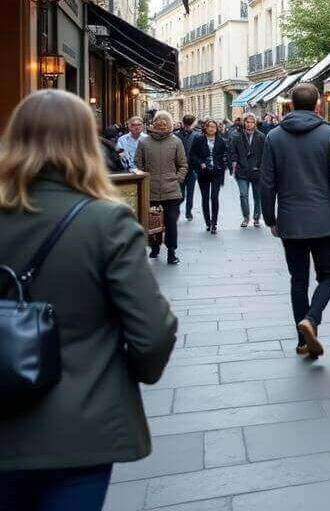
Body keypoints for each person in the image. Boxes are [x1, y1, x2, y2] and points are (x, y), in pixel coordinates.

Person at [0, 90, 178, 511]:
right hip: (81, 422)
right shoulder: (105, 219)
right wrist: (124, 375)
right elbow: (152, 331)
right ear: (87, 142)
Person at [260, 83, 330, 358]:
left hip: (290, 218)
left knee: (298, 280)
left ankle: (302, 341)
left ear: (290, 105)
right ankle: (312, 318)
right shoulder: (328, 134)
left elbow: (266, 181)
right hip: (322, 218)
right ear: (318, 105)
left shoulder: (274, 136)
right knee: (328, 277)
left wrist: (269, 216)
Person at [134, 112, 187, 264]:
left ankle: (171, 251)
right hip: (151, 190)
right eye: (159, 122)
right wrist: (144, 179)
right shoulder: (144, 142)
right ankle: (155, 246)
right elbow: (138, 163)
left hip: (172, 190)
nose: (161, 125)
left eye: (165, 122)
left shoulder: (176, 142)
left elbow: (183, 164)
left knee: (171, 222)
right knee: (153, 221)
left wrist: (177, 179)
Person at [190, 119, 229, 234]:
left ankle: (214, 223)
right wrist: (200, 163)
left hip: (216, 172)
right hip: (203, 172)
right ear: (205, 128)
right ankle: (208, 221)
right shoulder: (199, 140)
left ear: (217, 129)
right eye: (209, 126)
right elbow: (192, 154)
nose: (212, 129)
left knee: (214, 197)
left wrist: (222, 165)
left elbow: (225, 155)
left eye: (214, 127)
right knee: (205, 197)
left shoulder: (221, 141)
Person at [231, 114, 265, 227]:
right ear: (244, 122)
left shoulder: (261, 136)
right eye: (247, 122)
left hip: (256, 171)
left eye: (252, 122)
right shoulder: (237, 136)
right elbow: (233, 151)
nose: (249, 124)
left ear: (255, 123)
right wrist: (234, 163)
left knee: (258, 196)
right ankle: (246, 217)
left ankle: (256, 218)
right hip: (242, 171)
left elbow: (265, 154)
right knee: (243, 195)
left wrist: (260, 166)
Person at [173, 115, 199, 221]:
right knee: (180, 193)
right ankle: (177, 210)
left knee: (190, 192)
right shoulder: (175, 136)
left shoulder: (197, 135)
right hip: (179, 168)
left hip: (192, 169)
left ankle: (188, 212)